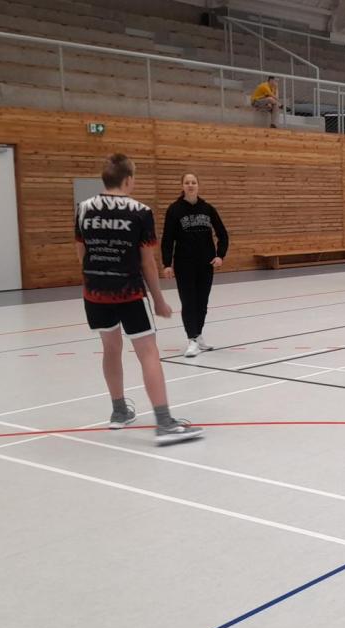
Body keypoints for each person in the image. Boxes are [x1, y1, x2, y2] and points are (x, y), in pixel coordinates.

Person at [74, 153, 203, 446]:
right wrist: (158, 299)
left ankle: (119, 411)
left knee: (110, 348)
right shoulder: (140, 212)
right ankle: (164, 422)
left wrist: (97, 277)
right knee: (148, 352)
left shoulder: (83, 209)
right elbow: (147, 262)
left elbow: (81, 253)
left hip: (95, 292)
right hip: (129, 292)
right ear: (128, 180)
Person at [162, 173, 229, 358]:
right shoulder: (174, 209)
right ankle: (191, 339)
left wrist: (220, 255)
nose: (190, 185)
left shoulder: (207, 208)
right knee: (188, 302)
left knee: (202, 302)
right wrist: (167, 263)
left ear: (198, 185)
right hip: (184, 264)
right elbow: (167, 239)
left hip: (205, 264)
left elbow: (223, 234)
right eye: (187, 183)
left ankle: (198, 335)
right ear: (182, 186)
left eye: (193, 182)